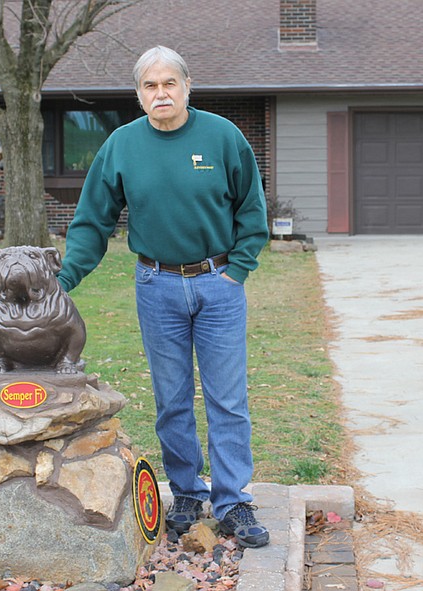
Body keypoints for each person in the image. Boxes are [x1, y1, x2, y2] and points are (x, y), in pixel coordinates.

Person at [57, 46, 270, 548]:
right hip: (157, 286)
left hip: (218, 285)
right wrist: (63, 281)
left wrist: (236, 272)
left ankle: (233, 501)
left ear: (187, 86)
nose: (161, 94)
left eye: (169, 83)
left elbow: (252, 211)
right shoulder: (121, 146)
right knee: (171, 398)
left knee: (227, 399)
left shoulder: (223, 137)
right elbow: (93, 221)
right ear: (139, 94)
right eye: (150, 86)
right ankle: (188, 493)